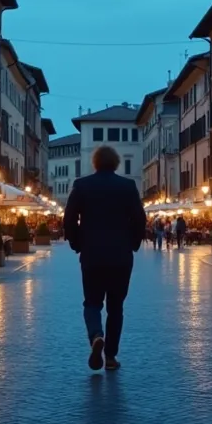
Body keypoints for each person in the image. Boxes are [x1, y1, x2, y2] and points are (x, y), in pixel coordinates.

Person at [63, 146, 146, 372]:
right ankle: (110, 357)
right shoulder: (128, 186)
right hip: (120, 256)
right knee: (116, 307)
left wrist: (76, 243)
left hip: (92, 255)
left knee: (92, 303)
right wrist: (134, 244)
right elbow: (140, 219)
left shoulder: (82, 185)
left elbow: (69, 219)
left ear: (95, 163)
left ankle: (96, 335)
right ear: (117, 163)